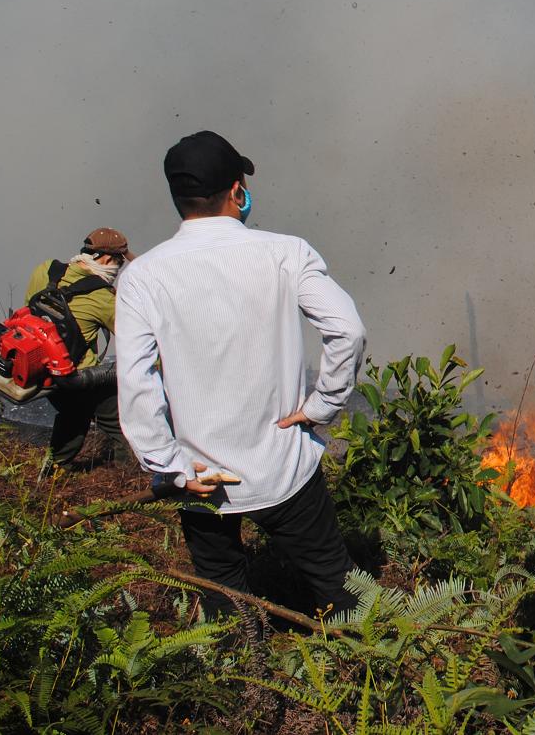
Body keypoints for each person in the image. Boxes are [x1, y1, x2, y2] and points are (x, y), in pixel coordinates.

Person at [115, 130, 367, 618]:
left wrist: (168, 466)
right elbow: (348, 330)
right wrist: (322, 407)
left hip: (201, 474)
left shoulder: (142, 277)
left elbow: (137, 380)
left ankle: (240, 680)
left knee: (225, 595)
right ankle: (368, 676)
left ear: (178, 199)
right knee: (338, 586)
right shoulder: (286, 253)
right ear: (236, 191)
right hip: (283, 463)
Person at [26, 227, 134, 470]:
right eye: (119, 263)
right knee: (125, 419)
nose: (118, 270)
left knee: (74, 416)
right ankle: (127, 477)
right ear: (107, 259)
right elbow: (135, 338)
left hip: (39, 370)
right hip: (75, 378)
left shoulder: (46, 269)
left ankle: (54, 470)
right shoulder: (103, 297)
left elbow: (28, 311)